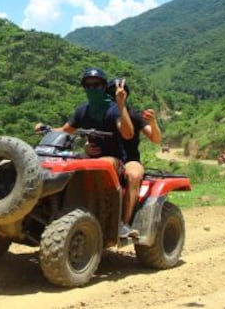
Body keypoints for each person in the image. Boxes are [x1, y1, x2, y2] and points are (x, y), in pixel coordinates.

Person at [35, 68, 134, 235]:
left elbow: (128, 133)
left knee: (103, 163)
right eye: (88, 86)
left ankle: (121, 223)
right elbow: (65, 130)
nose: (92, 89)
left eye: (96, 85)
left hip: (114, 160)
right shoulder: (83, 111)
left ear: (103, 87)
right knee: (63, 164)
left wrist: (121, 104)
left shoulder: (113, 110)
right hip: (89, 159)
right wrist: (46, 129)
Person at [105, 78, 162, 237]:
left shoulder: (134, 115)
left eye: (119, 94)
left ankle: (124, 223)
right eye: (112, 94)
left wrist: (153, 122)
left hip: (129, 160)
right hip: (106, 158)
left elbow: (156, 139)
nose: (116, 97)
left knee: (133, 175)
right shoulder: (101, 116)